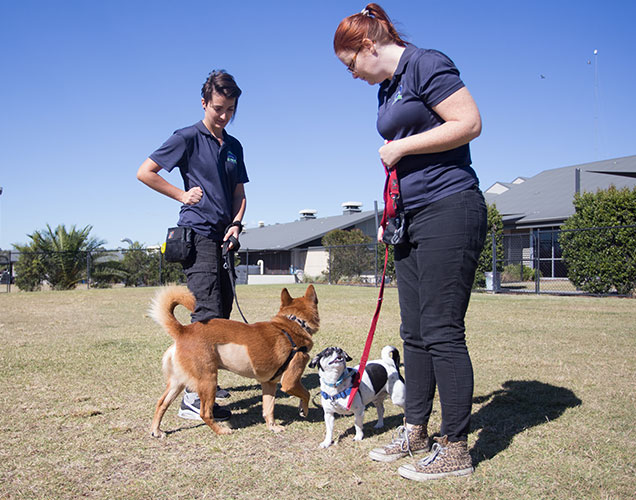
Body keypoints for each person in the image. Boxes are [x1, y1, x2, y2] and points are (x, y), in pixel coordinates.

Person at [333, 4, 487, 481]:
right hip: (410, 218)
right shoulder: (387, 87)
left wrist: (401, 147)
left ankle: (456, 448)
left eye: (349, 64)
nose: (351, 75)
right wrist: (392, 214)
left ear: (368, 46)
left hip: (450, 208)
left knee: (442, 330)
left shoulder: (426, 63)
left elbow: (469, 123)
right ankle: (415, 428)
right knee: (413, 333)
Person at [137, 70, 248, 423]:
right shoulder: (186, 137)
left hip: (224, 238)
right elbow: (145, 172)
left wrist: (235, 224)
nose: (224, 115)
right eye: (218, 108)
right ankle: (191, 397)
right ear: (204, 103)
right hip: (197, 235)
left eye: (231, 109)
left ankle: (206, 380)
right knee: (205, 313)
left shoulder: (234, 146)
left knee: (222, 313)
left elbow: (239, 195)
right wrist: (182, 194)